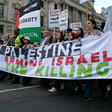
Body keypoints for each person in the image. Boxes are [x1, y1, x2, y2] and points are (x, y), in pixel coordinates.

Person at [83, 19, 108, 101]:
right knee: (88, 78)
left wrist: (101, 36)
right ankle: (88, 95)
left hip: (98, 59)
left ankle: (105, 93)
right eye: (86, 23)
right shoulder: (86, 35)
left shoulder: (99, 33)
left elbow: (105, 41)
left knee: (100, 79)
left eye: (89, 23)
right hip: (89, 59)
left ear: (93, 25)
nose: (87, 25)